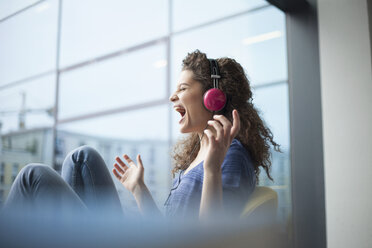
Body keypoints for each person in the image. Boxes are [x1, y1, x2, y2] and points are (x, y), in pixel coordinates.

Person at [2, 50, 279, 221]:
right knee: (81, 159)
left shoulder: (229, 158)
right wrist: (138, 188)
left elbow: (213, 241)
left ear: (213, 98)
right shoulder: (203, 152)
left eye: (183, 88)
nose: (173, 96)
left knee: (32, 176)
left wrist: (212, 171)